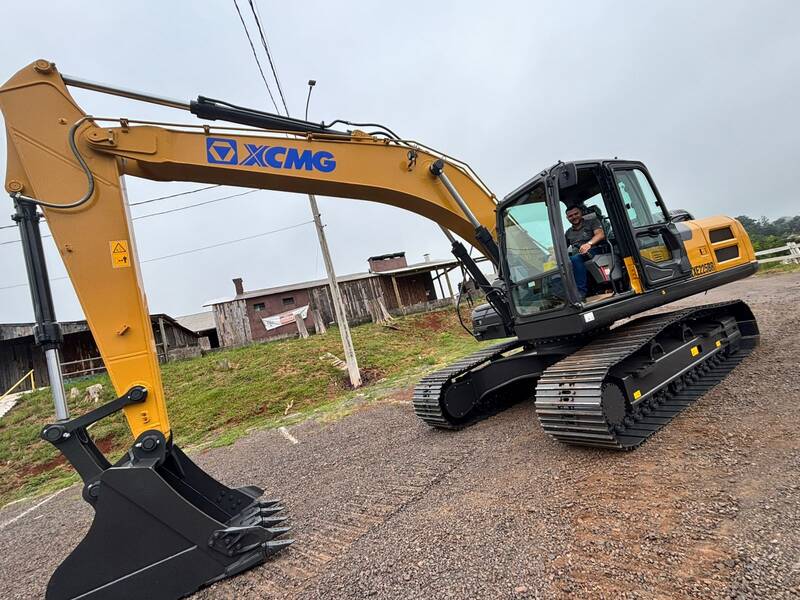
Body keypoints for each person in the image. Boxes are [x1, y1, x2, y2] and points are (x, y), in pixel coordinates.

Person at [564, 205, 605, 300]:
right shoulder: (568, 232)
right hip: (578, 254)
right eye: (570, 216)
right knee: (564, 262)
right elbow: (562, 246)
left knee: (575, 259)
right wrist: (553, 256)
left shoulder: (592, 222)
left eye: (576, 214)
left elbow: (600, 234)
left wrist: (588, 244)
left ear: (581, 213)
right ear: (567, 218)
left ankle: (580, 292)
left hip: (594, 250)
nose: (574, 217)